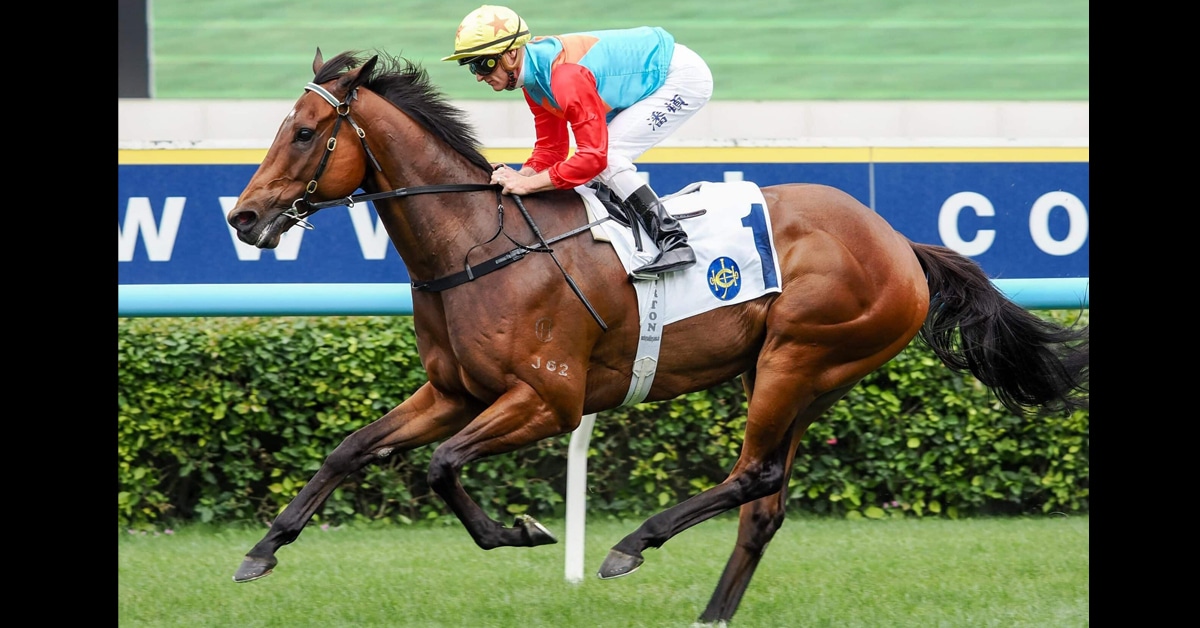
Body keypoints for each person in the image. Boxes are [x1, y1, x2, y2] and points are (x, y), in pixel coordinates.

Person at [443, 5, 714, 276]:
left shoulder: (565, 76)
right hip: (646, 78)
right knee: (589, 174)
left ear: (511, 54)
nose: (479, 76)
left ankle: (673, 241)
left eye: (484, 63)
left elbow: (594, 158)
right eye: (472, 67)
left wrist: (528, 184)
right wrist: (520, 176)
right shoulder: (533, 79)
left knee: (608, 159)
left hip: (680, 78)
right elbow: (551, 149)